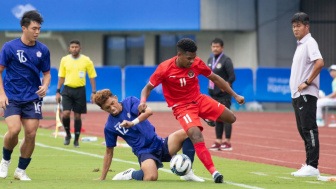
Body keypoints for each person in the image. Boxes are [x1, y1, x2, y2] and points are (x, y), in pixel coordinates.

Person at [138, 38, 245, 183]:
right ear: (179, 55)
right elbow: (147, 88)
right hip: (182, 107)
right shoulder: (164, 68)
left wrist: (235, 95)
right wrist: (143, 102)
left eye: (194, 58)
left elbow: (215, 78)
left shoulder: (197, 63)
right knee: (196, 135)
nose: (191, 61)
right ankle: (214, 173)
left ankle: (205, 116)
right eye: (189, 58)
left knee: (231, 118)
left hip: (199, 100)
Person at [92, 89, 204, 182]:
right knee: (151, 177)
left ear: (116, 98)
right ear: (103, 109)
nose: (112, 108)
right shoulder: (109, 126)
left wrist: (132, 123)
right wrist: (102, 177)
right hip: (144, 152)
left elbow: (149, 111)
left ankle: (187, 173)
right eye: (107, 108)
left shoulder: (130, 102)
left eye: (112, 103)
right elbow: (109, 151)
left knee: (189, 132)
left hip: (160, 143)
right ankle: (131, 174)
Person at [0, 10, 51, 181]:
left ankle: (20, 170)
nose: (37, 32)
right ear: (24, 28)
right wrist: (1, 94)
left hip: (32, 97)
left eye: (39, 29)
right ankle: (5, 159)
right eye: (34, 28)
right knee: (14, 130)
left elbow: (47, 74)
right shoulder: (9, 47)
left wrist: (45, 86)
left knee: (31, 133)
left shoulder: (43, 50)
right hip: (12, 96)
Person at [289, 12, 324, 177]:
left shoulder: (310, 42)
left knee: (309, 128)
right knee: (302, 130)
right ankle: (309, 163)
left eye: (299, 26)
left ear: (307, 26)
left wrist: (308, 82)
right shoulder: (300, 45)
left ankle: (313, 166)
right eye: (294, 26)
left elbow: (320, 63)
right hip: (297, 94)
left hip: (306, 94)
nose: (295, 29)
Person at [56, 40, 97, 148]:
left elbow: (92, 76)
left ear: (80, 48)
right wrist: (57, 91)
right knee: (65, 114)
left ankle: (76, 140)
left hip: (80, 90)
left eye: (76, 47)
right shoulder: (64, 60)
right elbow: (61, 76)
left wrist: (93, 92)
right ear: (69, 49)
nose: (74, 49)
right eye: (72, 47)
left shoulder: (86, 60)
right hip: (67, 90)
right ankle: (68, 134)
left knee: (77, 116)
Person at [207, 38, 235, 151]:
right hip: (214, 94)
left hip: (224, 95)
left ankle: (227, 141)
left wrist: (226, 86)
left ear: (222, 48)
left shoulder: (226, 60)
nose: (215, 48)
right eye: (213, 46)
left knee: (226, 117)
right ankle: (218, 140)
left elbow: (232, 76)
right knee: (217, 117)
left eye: (217, 46)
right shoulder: (210, 60)